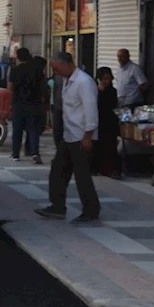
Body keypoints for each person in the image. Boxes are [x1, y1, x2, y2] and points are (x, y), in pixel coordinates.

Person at [35, 52, 101, 222]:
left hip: (81, 136)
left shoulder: (84, 82)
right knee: (58, 170)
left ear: (65, 64)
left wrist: (88, 136)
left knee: (82, 176)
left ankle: (91, 211)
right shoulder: (66, 81)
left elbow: (91, 111)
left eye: (56, 68)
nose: (55, 72)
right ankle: (57, 206)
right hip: (69, 135)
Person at [7, 48, 45, 164]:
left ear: (18, 57)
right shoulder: (37, 70)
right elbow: (43, 87)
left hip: (19, 104)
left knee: (17, 130)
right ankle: (35, 153)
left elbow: (10, 89)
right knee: (33, 130)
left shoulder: (14, 71)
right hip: (35, 103)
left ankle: (15, 154)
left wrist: (9, 104)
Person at [94, 67, 121, 179]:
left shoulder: (112, 91)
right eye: (104, 79)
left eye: (108, 79)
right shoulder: (94, 90)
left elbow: (112, 105)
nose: (107, 81)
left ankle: (112, 170)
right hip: (98, 121)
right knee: (98, 146)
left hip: (109, 122)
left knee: (110, 146)